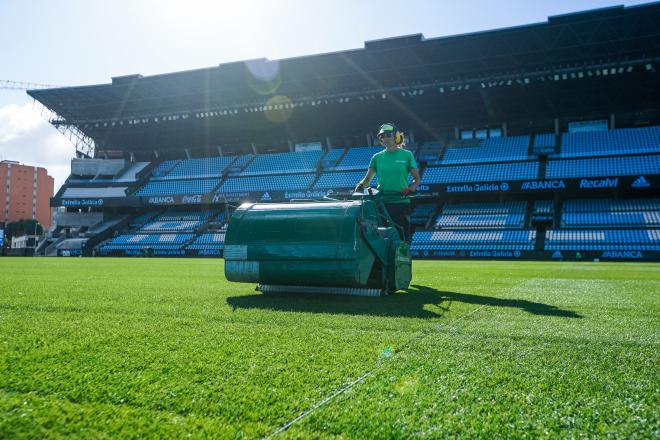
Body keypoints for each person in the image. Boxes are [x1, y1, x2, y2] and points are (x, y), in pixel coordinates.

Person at [354, 122, 420, 242]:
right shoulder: (377, 157)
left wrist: (411, 189)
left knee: (403, 237)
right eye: (382, 136)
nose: (385, 138)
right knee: (383, 238)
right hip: (382, 203)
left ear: (396, 136)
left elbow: (417, 179)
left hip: (401, 202)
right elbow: (367, 180)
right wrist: (360, 186)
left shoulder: (407, 155)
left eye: (388, 135)